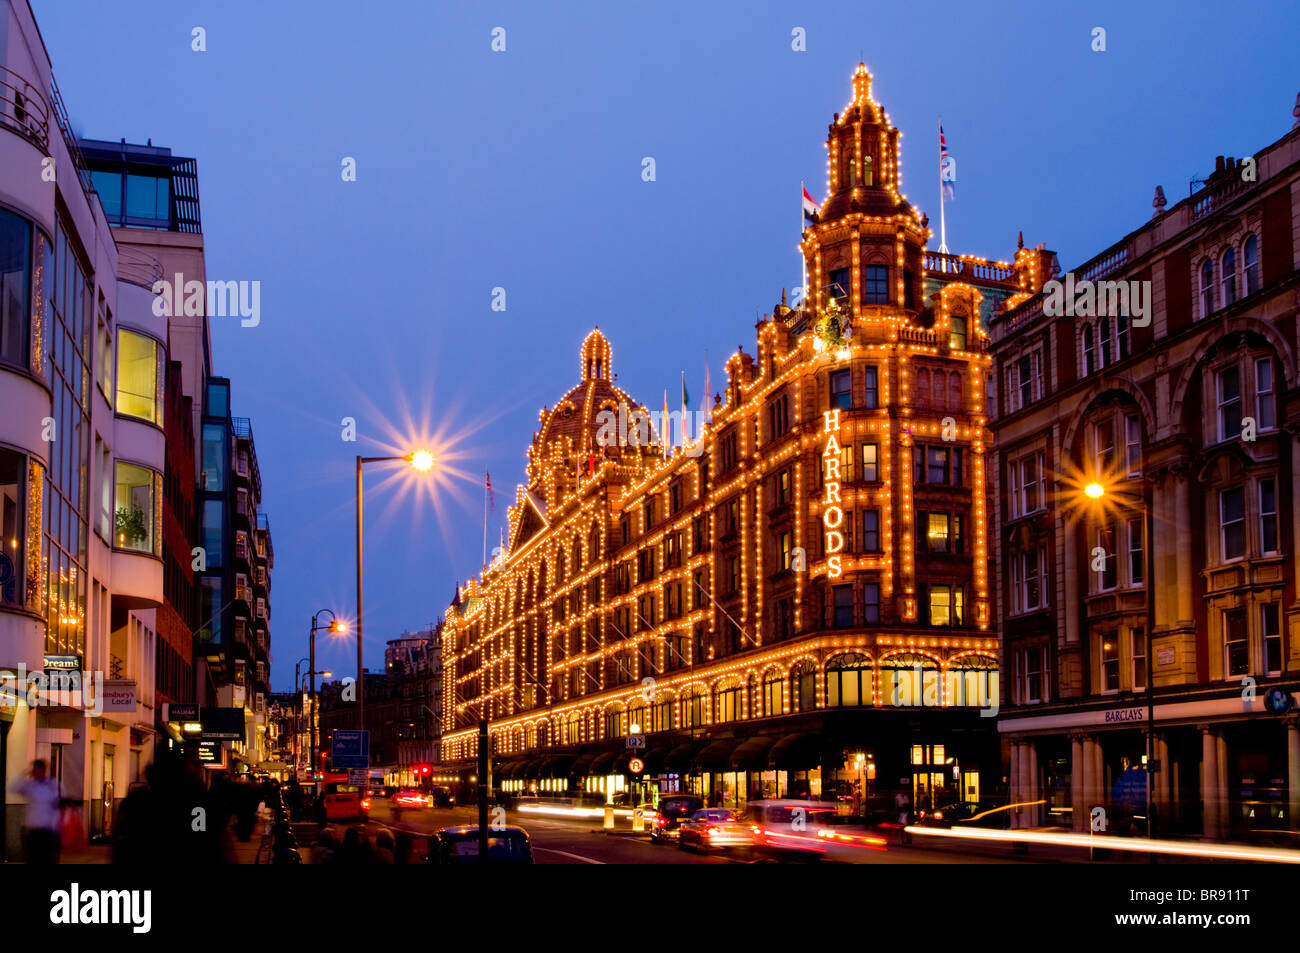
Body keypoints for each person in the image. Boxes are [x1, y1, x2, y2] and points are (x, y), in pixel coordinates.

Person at [16, 760, 63, 864]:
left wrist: (57, 827)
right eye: (34, 770)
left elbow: (60, 804)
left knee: (47, 859)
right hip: (33, 831)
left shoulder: (53, 785)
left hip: (48, 830)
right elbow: (13, 787)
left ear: (43, 771)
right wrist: (25, 773)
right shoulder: (30, 786)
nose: (36, 773)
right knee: (33, 859)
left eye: (38, 770)